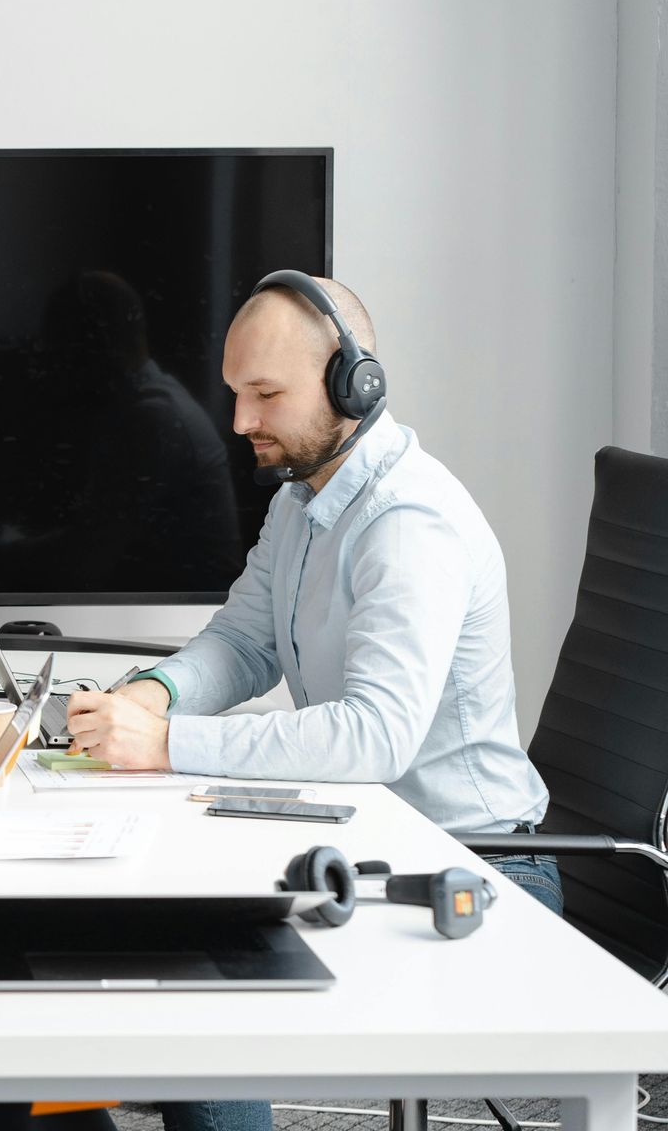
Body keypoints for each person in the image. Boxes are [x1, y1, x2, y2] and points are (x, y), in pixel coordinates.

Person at [64, 274, 556, 1131]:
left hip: (474, 868)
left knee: (201, 989)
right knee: (141, 905)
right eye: (235, 394)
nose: (240, 422)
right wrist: (146, 696)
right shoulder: (305, 498)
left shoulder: (409, 524)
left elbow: (375, 739)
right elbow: (243, 643)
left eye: (266, 395)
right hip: (367, 837)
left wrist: (165, 743)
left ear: (351, 384)